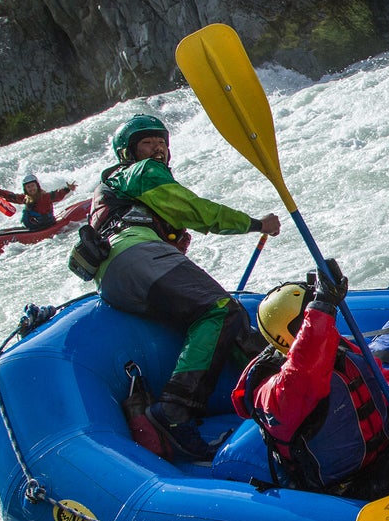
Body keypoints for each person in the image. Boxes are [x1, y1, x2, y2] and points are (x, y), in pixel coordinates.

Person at [88, 113, 281, 461]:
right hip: (134, 254)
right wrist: (254, 223)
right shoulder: (140, 172)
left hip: (115, 276)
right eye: (147, 143)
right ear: (128, 153)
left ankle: (271, 383)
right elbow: (194, 209)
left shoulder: (120, 190)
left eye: (161, 142)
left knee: (229, 314)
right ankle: (173, 412)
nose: (158, 148)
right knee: (221, 310)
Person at [232, 261, 389, 498]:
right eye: (306, 319)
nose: (321, 322)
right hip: (348, 482)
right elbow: (304, 375)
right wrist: (321, 307)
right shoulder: (272, 390)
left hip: (382, 445)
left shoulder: (336, 346)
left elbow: (382, 376)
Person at [0, 173, 76, 230]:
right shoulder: (25, 198)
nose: (31, 189)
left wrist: (67, 189)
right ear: (25, 189)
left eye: (33, 186)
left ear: (37, 186)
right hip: (33, 226)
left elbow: (57, 194)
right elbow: (9, 195)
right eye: (28, 187)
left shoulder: (45, 196)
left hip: (47, 224)